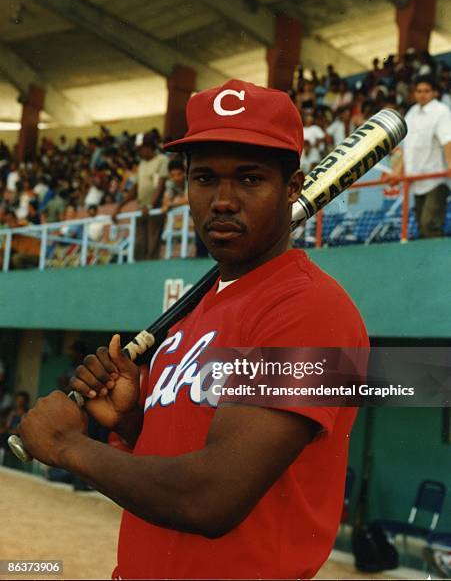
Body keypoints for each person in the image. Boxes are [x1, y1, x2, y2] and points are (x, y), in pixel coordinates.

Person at [17, 79, 368, 580]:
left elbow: (211, 498)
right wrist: (132, 420)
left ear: (293, 188)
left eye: (249, 179)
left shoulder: (311, 310)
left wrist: (68, 446)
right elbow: (182, 460)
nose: (222, 201)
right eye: (204, 179)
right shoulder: (194, 313)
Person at [390, 76, 451, 238]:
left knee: (429, 224)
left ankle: (440, 263)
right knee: (421, 227)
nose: (422, 94)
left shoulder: (441, 111)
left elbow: (448, 141)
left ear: (435, 93)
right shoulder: (411, 114)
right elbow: (406, 148)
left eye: (426, 91)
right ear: (414, 93)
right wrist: (397, 172)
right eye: (419, 91)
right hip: (416, 181)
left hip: (436, 179)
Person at [112, 133, 168, 260]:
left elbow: (160, 185)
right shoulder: (142, 164)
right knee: (139, 244)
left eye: (140, 149)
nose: (138, 153)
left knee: (152, 245)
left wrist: (150, 205)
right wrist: (119, 206)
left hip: (155, 208)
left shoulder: (161, 160)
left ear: (149, 147)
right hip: (142, 208)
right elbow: (136, 188)